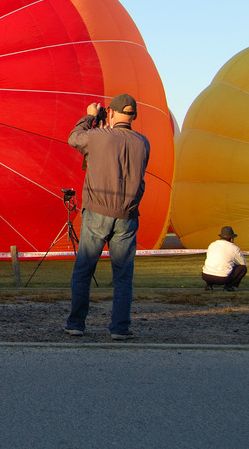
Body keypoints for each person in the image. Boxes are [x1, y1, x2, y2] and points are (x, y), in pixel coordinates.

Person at [64, 94, 150, 341]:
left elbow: (73, 138)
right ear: (133, 116)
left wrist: (90, 117)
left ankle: (76, 324)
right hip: (127, 215)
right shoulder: (143, 143)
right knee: (123, 276)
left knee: (83, 270)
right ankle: (119, 328)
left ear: (110, 113)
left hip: (97, 212)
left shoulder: (98, 137)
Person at [201, 226, 247, 291]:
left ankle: (209, 285)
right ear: (231, 239)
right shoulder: (234, 248)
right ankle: (228, 286)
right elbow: (243, 263)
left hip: (206, 276)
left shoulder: (212, 244)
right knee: (243, 268)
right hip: (222, 278)